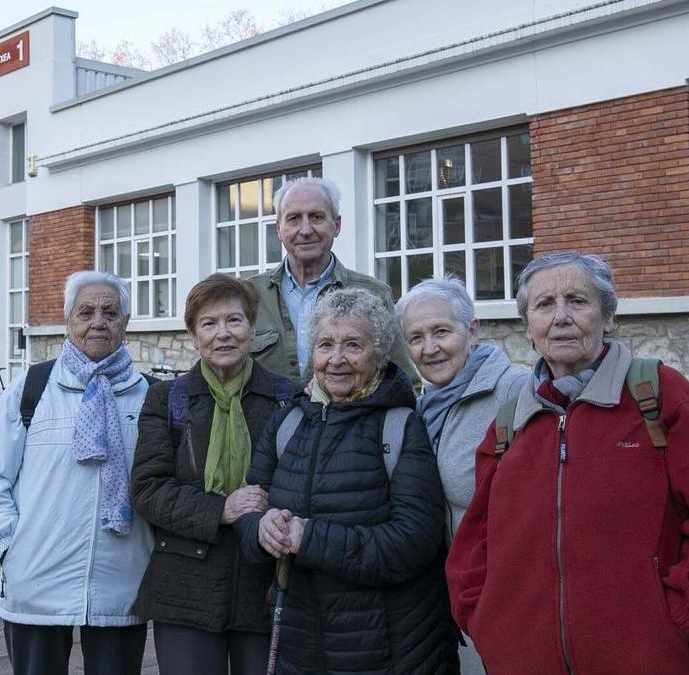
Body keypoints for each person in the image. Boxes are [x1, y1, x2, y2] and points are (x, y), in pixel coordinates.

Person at [446, 252, 689, 674]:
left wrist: (685, 618)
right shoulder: (510, 423)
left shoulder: (660, 395)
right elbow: (474, 543)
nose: (560, 317)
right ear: (529, 326)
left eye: (577, 301)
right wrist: (487, 622)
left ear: (607, 317)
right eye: (544, 305)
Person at [236, 288, 459, 674]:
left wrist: (309, 539)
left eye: (353, 345)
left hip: (391, 653)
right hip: (301, 649)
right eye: (325, 345)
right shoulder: (288, 422)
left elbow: (414, 542)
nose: (336, 359)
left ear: (379, 353)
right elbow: (249, 508)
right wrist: (260, 530)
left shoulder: (400, 425)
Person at [0, 271, 154, 675]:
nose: (98, 321)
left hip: (121, 586)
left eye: (110, 312)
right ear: (69, 322)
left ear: (125, 322)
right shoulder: (32, 387)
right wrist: (5, 546)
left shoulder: (150, 395)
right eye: (86, 312)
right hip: (36, 583)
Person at [131, 274, 296, 675]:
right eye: (209, 323)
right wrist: (222, 508)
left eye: (234, 321)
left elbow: (301, 481)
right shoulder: (166, 399)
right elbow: (147, 489)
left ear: (252, 328)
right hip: (185, 585)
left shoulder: (287, 397)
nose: (223, 333)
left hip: (263, 582)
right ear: (193, 334)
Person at [398, 276, 527, 675]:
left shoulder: (516, 392)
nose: (430, 348)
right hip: (455, 601)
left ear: (472, 330)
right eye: (416, 337)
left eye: (441, 331)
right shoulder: (422, 408)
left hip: (513, 600)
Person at [248, 176, 419, 387]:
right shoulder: (249, 295)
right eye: (293, 219)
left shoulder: (372, 293)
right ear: (278, 229)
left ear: (336, 225)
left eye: (316, 217)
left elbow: (404, 382)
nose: (305, 229)